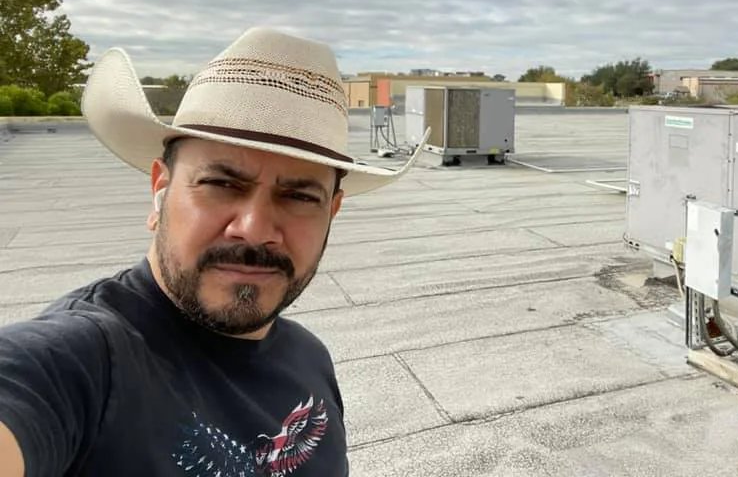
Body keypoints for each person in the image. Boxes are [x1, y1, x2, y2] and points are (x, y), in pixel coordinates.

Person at [0, 27, 425, 476]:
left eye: (299, 197)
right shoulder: (81, 361)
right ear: (160, 190)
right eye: (222, 184)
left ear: (331, 212)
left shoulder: (310, 360)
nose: (254, 230)